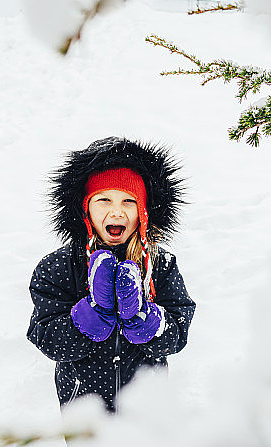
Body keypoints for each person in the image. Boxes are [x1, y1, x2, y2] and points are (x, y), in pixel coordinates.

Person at [27, 137, 195, 413]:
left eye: (128, 201)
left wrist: (149, 324)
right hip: (85, 413)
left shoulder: (160, 265)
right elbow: (47, 338)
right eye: (104, 200)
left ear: (142, 211)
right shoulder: (58, 268)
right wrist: (85, 322)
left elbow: (178, 331)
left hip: (148, 407)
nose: (116, 211)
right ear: (85, 207)